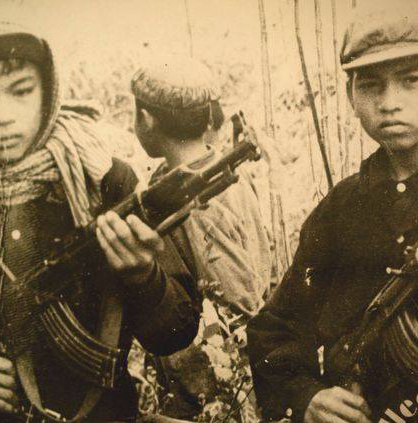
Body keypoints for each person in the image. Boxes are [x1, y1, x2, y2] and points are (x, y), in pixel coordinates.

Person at [0, 11, 199, 423]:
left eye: (20, 91)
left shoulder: (104, 183)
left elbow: (176, 332)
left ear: (47, 92)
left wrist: (145, 277)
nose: (2, 115)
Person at [247, 3, 418, 423]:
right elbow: (275, 329)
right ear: (350, 96)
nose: (389, 102)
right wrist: (305, 397)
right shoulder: (342, 208)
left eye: (411, 81)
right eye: (371, 85)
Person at [131, 56, 272, 419]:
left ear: (146, 119)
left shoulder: (201, 197)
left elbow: (237, 301)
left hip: (218, 392)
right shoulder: (211, 170)